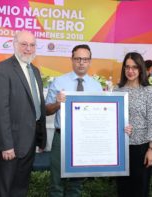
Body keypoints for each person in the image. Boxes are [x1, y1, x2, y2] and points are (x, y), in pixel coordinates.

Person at [0, 30, 47, 197]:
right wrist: (6, 145)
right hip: (11, 144)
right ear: (14, 45)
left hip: (29, 141)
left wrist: (40, 138)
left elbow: (37, 105)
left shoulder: (34, 70)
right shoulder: (2, 69)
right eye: (24, 44)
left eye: (32, 45)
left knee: (21, 188)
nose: (28, 48)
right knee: (4, 189)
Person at [45, 44, 103, 197]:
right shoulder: (58, 82)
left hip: (83, 139)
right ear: (72, 60)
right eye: (78, 58)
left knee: (76, 185)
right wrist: (58, 103)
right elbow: (46, 111)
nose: (81, 62)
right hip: (62, 137)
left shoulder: (96, 86)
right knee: (56, 184)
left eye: (85, 59)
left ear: (90, 61)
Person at [114, 52, 152, 197]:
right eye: (127, 67)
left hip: (141, 147)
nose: (130, 71)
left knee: (140, 189)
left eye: (134, 67)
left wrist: (151, 149)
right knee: (123, 188)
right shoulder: (117, 90)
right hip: (120, 148)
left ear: (141, 69)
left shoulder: (148, 91)